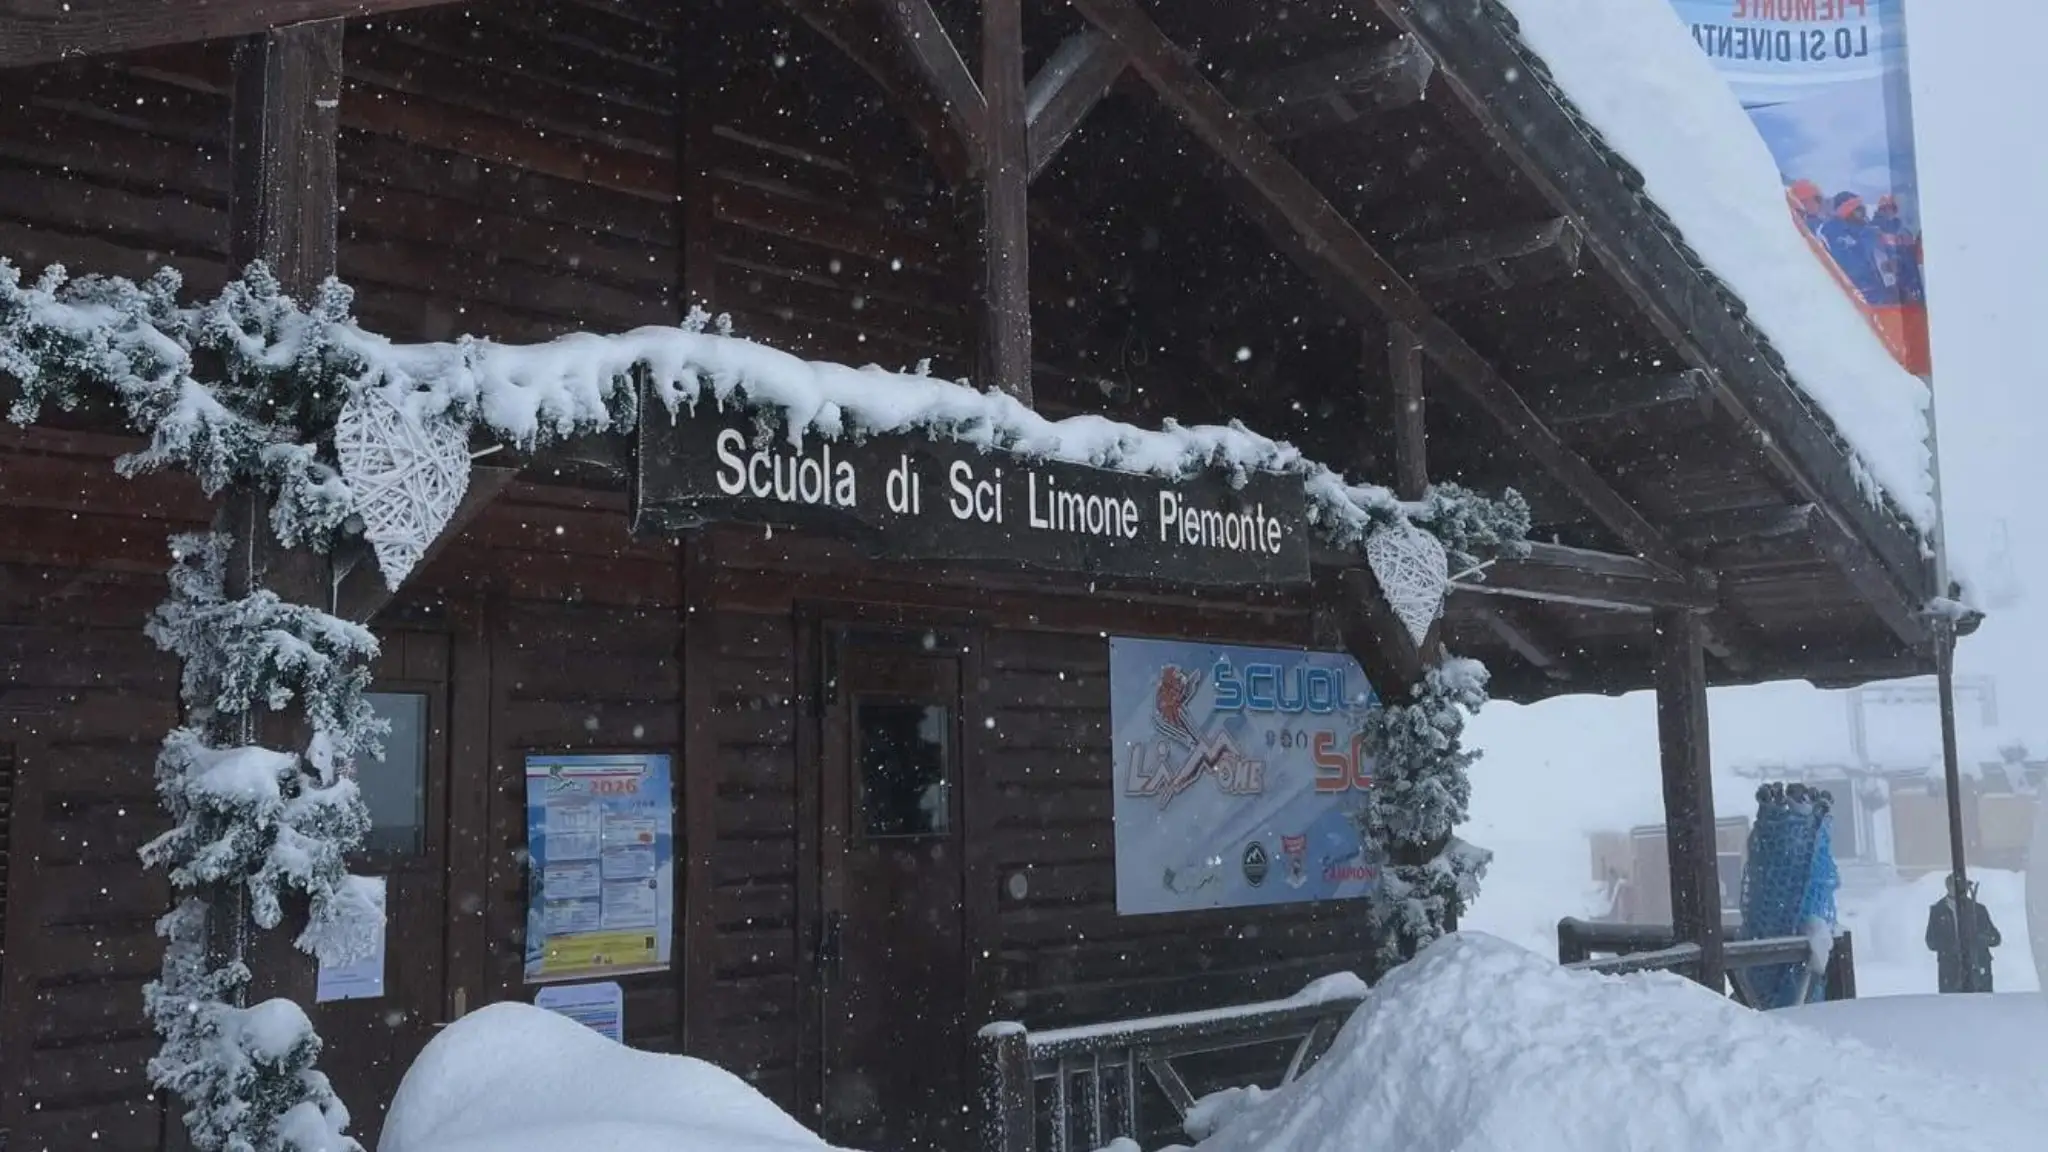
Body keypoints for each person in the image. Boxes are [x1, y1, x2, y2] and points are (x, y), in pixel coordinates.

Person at [1924, 873, 2001, 993]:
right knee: (1953, 1003)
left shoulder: (1978, 910)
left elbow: (1995, 938)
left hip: (1978, 968)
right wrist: (1951, 946)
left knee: (1982, 1002)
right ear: (1948, 886)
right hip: (1950, 971)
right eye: (1955, 885)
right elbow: (1931, 941)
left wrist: (1978, 940)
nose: (1959, 889)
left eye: (1962, 885)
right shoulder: (1938, 911)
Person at [1816, 192, 1894, 305]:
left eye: (1862, 208)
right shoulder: (1831, 231)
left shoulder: (1867, 229)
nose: (1863, 213)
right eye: (1858, 209)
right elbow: (1849, 265)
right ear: (1848, 211)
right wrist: (1866, 241)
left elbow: (1883, 262)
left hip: (1879, 295)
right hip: (1853, 298)